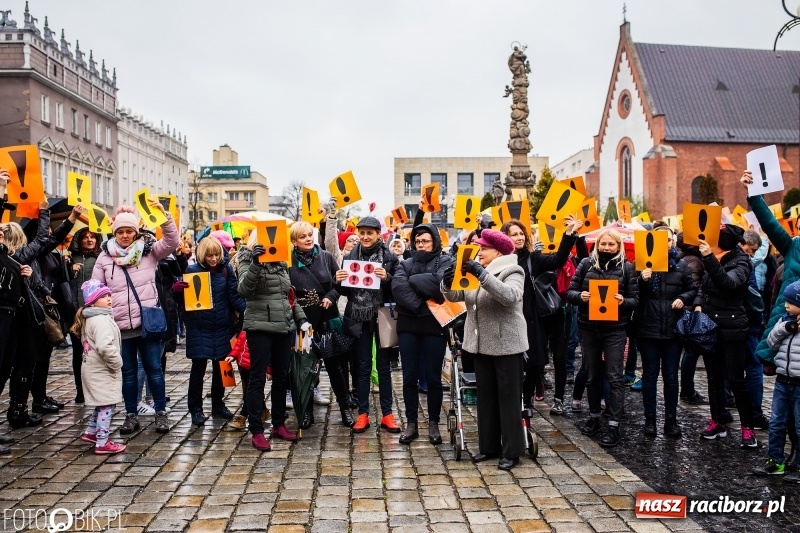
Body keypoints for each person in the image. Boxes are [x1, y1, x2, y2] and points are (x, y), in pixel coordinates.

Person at [92, 203, 180, 435]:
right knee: (128, 373)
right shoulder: (104, 258)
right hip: (120, 326)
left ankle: (160, 413)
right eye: (120, 232)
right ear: (115, 233)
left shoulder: (148, 252)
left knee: (154, 369)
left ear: (136, 232)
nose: (124, 235)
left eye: (129, 231)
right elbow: (95, 291)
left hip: (148, 324)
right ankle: (131, 415)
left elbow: (172, 242)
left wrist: (165, 217)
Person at [442, 229, 526, 469]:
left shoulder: (513, 270)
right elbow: (458, 295)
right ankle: (489, 447)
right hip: (479, 344)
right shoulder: (478, 272)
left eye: (484, 249)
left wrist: (481, 274)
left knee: (508, 399)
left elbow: (510, 296)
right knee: (486, 398)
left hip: (507, 345)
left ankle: (512, 452)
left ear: (497, 251)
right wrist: (447, 283)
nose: (479, 253)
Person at [0, 200, 80, 429]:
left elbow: (47, 241)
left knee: (23, 365)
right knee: (22, 364)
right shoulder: (19, 257)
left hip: (21, 318)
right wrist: (44, 212)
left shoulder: (17, 259)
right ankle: (17, 411)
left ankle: (21, 408)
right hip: (23, 320)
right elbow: (45, 239)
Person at [500, 216, 581, 416]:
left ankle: (526, 403)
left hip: (531, 318)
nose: (519, 237)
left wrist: (569, 235)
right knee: (512, 365)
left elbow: (558, 259)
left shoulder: (532, 258)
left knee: (533, 363)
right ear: (504, 238)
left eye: (521, 234)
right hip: (506, 317)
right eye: (513, 234)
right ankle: (513, 400)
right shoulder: (499, 260)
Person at [237, 232, 309, 451]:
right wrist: (257, 263)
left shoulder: (281, 262)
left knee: (281, 377)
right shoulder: (247, 259)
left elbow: (288, 296)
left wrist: (301, 317)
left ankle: (278, 423)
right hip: (259, 326)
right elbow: (244, 290)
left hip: (284, 326)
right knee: (257, 378)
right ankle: (257, 430)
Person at [567, 228, 638, 448]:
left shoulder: (627, 269)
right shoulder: (586, 264)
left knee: (615, 376)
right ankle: (595, 416)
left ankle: (614, 424)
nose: (606, 248)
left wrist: (622, 302)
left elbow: (635, 300)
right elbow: (570, 292)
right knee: (592, 374)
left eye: (611, 244)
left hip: (615, 329)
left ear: (618, 247)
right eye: (603, 244)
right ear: (597, 245)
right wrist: (581, 296)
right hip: (589, 328)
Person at [334, 216, 400, 434]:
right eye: (361, 233)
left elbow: (398, 288)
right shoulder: (351, 256)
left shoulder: (389, 257)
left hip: (382, 316)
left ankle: (387, 415)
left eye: (369, 233)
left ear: (378, 234)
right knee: (361, 366)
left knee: (383, 367)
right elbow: (345, 291)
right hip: (358, 318)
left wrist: (388, 277)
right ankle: (363, 414)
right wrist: (339, 279)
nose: (364, 237)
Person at [693, 224, 757, 446]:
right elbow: (703, 286)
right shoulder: (714, 258)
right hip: (711, 327)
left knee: (736, 379)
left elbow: (728, 284)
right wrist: (699, 304)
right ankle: (717, 420)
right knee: (713, 378)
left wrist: (710, 259)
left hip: (732, 328)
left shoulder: (741, 262)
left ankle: (747, 428)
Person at [288, 221, 355, 429]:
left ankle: (345, 408)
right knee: (305, 368)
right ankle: (307, 411)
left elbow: (343, 282)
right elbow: (285, 291)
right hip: (303, 321)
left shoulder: (325, 257)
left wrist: (331, 296)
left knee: (335, 367)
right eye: (303, 237)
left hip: (327, 318)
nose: (308, 239)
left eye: (310, 235)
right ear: (294, 241)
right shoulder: (288, 261)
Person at [392, 222, 454, 445]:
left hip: (434, 327)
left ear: (434, 241)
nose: (421, 245)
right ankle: (411, 424)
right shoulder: (406, 263)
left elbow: (440, 283)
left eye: (425, 241)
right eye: (417, 241)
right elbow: (398, 288)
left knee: (433, 378)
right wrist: (421, 306)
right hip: (409, 325)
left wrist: (415, 281)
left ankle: (434, 424)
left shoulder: (445, 261)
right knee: (409, 377)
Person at [635, 226, 697, 438]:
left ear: (673, 242)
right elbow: (634, 293)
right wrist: (641, 280)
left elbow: (691, 288)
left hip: (673, 329)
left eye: (669, 240)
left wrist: (684, 299)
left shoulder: (680, 265)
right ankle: (650, 420)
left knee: (671, 376)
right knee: (650, 375)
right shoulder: (642, 264)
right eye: (662, 239)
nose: (667, 243)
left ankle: (671, 420)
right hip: (648, 329)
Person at [182, 236, 245, 425]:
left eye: (216, 254)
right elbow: (186, 303)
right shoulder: (192, 270)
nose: (213, 259)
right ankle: (196, 409)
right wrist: (178, 292)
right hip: (199, 327)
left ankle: (218, 404)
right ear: (202, 255)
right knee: (198, 370)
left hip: (222, 326)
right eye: (209, 255)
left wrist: (247, 309)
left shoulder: (226, 270)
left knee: (222, 368)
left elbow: (233, 295)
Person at [752, 280, 800, 481]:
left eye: (790, 302)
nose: (786, 305)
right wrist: (785, 328)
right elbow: (771, 341)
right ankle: (775, 462)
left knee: (798, 426)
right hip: (782, 381)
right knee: (777, 423)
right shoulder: (783, 320)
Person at [71, 279, 126, 455]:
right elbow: (104, 346)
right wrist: (117, 362)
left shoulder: (92, 318)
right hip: (102, 370)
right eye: (104, 296)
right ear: (93, 301)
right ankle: (102, 441)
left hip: (93, 369)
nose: (109, 299)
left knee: (101, 403)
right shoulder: (100, 320)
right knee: (107, 405)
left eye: (109, 295)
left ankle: (91, 432)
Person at [67, 228, 103, 404]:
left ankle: (97, 389)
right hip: (75, 313)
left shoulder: (101, 259)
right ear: (78, 241)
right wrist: (68, 269)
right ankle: (80, 391)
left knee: (97, 351)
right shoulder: (69, 259)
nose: (89, 240)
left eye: (92, 237)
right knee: (78, 353)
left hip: (96, 313)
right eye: (85, 237)